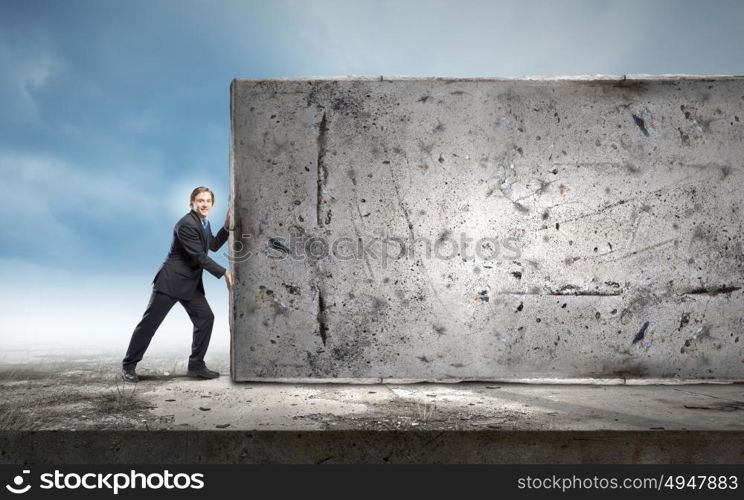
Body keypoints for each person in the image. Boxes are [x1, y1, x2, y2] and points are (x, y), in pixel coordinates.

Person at [121, 186, 233, 382]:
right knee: (149, 325)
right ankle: (128, 366)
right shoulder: (186, 224)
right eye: (200, 200)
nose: (204, 204)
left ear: (212, 204)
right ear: (192, 203)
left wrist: (226, 227)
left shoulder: (204, 223)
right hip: (170, 282)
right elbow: (199, 256)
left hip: (190, 285)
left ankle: (196, 365)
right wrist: (224, 272)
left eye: (208, 201)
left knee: (206, 318)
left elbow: (212, 245)